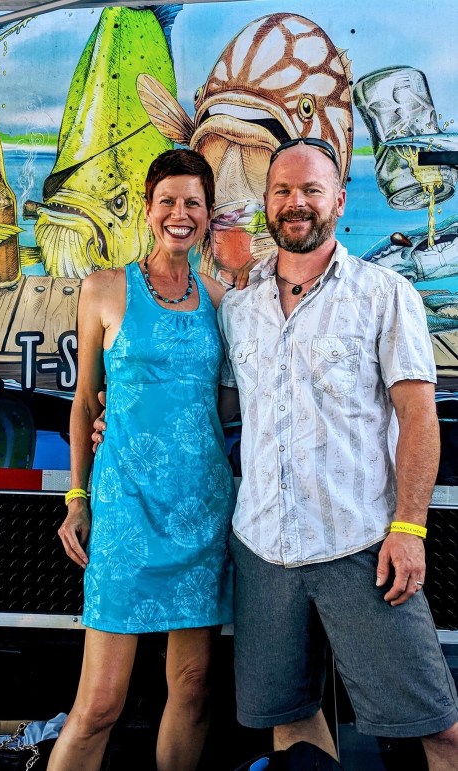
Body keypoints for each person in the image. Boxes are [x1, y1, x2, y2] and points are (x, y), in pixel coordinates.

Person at [216, 137, 458, 769]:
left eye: (311, 190)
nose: (296, 202)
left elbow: (419, 417)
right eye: (283, 190)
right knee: (293, 723)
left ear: (340, 201)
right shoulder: (238, 307)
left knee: (439, 728)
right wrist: (118, 416)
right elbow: (219, 407)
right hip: (263, 548)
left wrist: (409, 528)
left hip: (361, 546)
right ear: (267, 202)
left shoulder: (384, 294)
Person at [48, 149, 236, 771]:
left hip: (201, 511)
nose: (180, 214)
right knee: (100, 703)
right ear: (149, 209)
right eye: (168, 201)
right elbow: (84, 402)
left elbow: (230, 401)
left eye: (193, 203)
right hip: (125, 509)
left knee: (194, 689)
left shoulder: (221, 300)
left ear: (208, 214)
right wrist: (77, 497)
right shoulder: (104, 288)